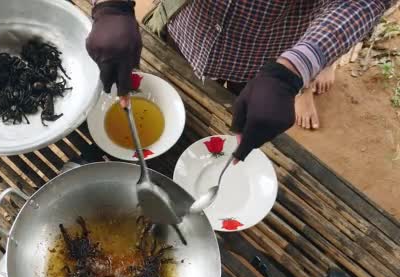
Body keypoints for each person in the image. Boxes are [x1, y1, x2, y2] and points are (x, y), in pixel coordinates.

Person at [85, 0, 391, 162]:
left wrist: (294, 69)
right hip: (182, 25)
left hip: (266, 56)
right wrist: (112, 5)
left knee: (258, 105)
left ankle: (310, 80)